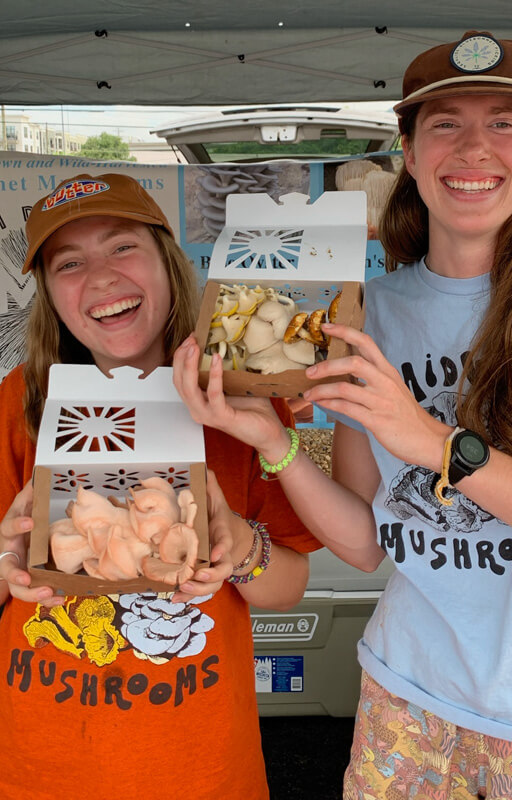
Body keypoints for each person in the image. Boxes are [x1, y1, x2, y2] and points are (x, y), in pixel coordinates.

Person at [173, 31, 512, 800]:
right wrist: (274, 442)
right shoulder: (371, 312)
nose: (474, 148)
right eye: (445, 124)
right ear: (409, 151)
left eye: (504, 122)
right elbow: (372, 541)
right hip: (407, 702)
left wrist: (436, 444)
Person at [0, 172, 320, 800]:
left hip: (201, 768)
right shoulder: (22, 403)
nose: (100, 277)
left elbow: (289, 585)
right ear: (50, 295)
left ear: (168, 263)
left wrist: (240, 550)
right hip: (45, 764)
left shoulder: (242, 408)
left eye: (122, 246)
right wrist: (5, 558)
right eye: (69, 262)